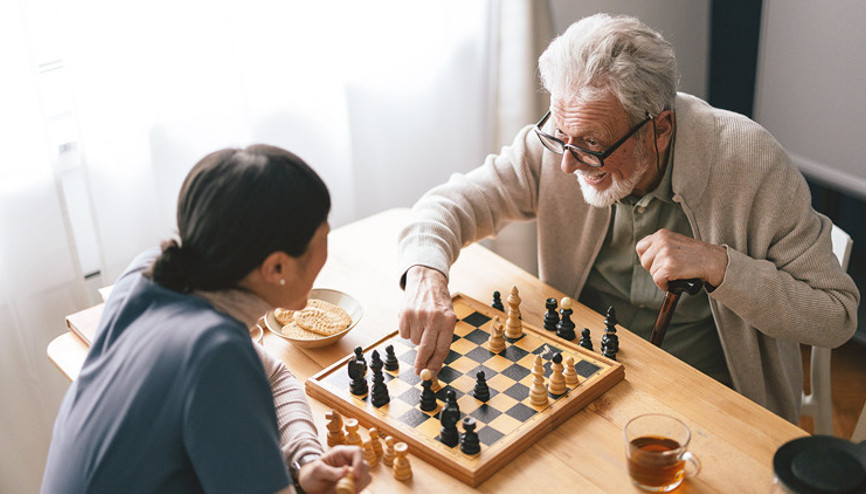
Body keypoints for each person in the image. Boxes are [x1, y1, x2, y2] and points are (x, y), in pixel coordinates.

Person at [396, 13, 859, 423]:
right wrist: (425, 273)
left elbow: (835, 316)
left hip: (712, 397)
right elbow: (447, 205)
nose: (567, 165)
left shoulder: (750, 161)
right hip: (583, 372)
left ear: (659, 128)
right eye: (561, 135)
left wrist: (722, 266)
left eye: (593, 146)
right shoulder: (562, 141)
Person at [42, 145, 371, 493]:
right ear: (277, 267)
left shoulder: (148, 272)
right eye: (323, 236)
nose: (326, 247)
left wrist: (304, 461)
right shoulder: (215, 351)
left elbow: (274, 376)